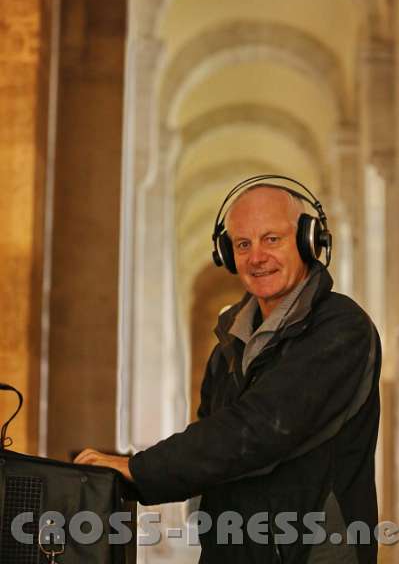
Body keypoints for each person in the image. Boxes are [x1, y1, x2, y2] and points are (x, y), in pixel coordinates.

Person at [75, 179, 381, 563]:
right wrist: (126, 479)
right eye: (242, 244)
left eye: (272, 239)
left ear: (309, 240)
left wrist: (140, 469)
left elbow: (258, 429)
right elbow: (212, 448)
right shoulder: (230, 342)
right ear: (226, 253)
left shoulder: (341, 328)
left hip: (312, 552)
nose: (257, 257)